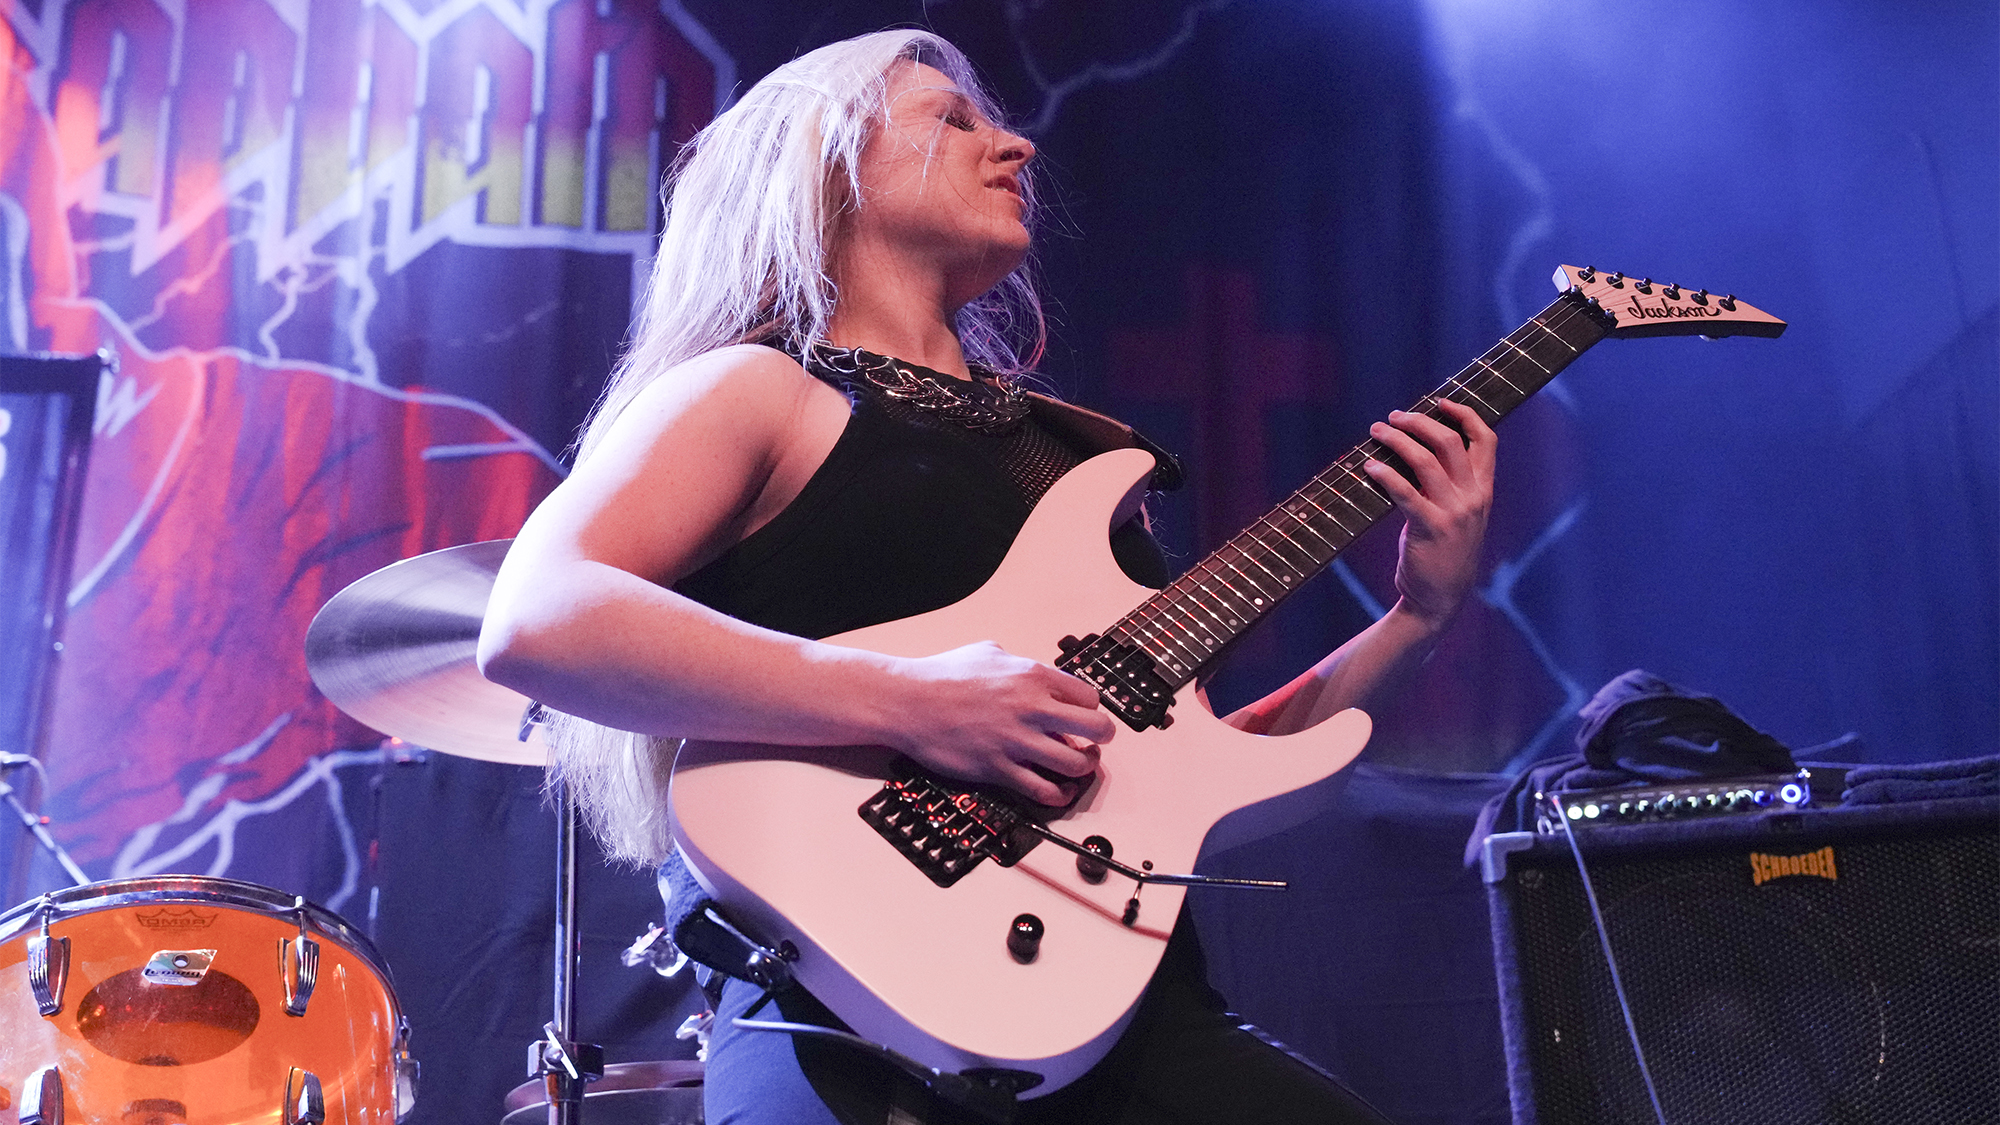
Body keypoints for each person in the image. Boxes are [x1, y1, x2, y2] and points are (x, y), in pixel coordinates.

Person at [478, 29, 1495, 1125]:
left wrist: (1416, 615)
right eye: (951, 122)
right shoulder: (754, 391)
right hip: (833, 1024)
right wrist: (917, 703)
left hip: (1122, 1008)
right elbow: (539, 618)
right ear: (824, 167)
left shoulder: (1081, 457)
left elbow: (1184, 775)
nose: (1011, 143)